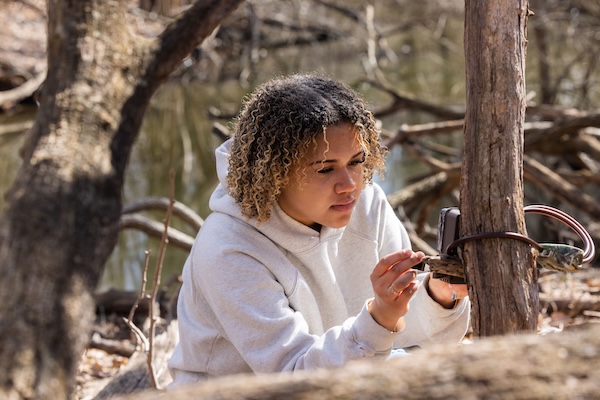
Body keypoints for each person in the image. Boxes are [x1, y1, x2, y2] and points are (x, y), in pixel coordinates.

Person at [167, 73, 470, 387]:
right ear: (276, 172)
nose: (350, 185)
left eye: (356, 161)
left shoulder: (367, 204)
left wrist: (440, 296)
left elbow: (404, 331)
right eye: (326, 169)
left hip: (347, 380)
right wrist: (380, 316)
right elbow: (295, 378)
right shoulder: (227, 249)